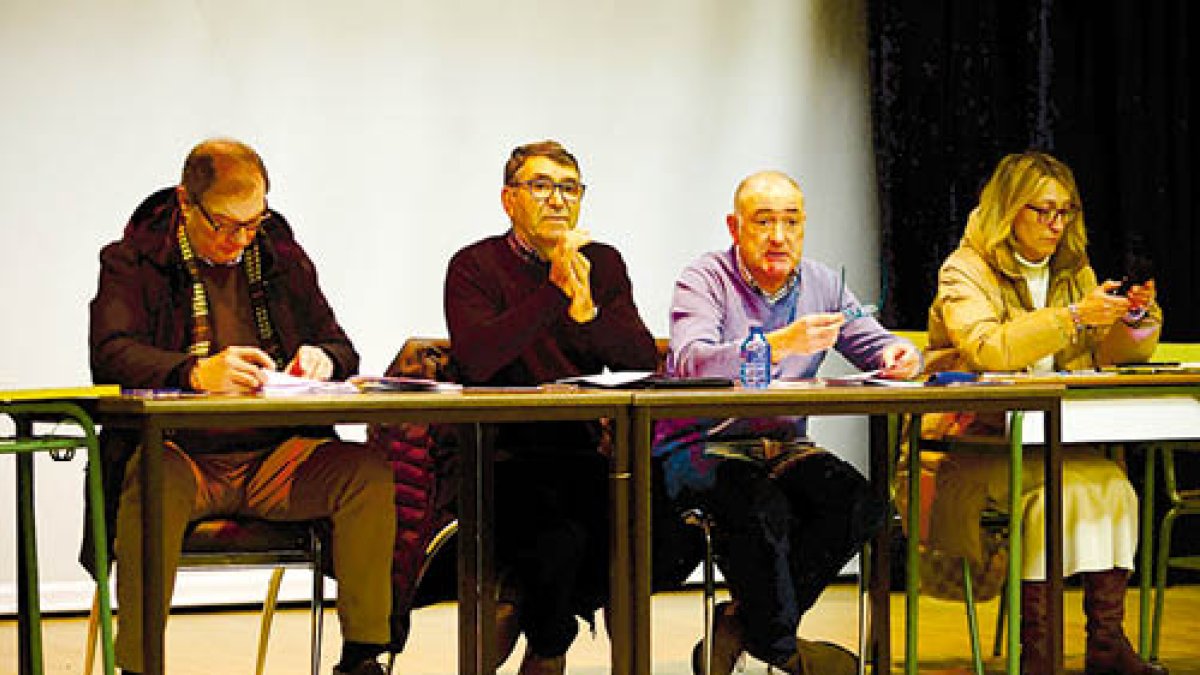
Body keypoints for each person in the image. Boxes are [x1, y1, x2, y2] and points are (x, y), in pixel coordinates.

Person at [89, 139, 396, 675]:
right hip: (181, 456)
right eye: (224, 224)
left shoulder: (277, 256)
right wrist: (192, 373)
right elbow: (111, 353)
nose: (238, 239)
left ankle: (362, 657)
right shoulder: (132, 260)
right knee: (152, 485)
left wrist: (322, 358)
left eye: (253, 222)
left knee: (365, 473)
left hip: (275, 459)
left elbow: (342, 345)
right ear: (186, 202)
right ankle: (139, 665)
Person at [653, 170, 921, 675]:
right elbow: (692, 363)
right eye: (763, 222)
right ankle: (783, 651)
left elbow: (872, 341)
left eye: (791, 222)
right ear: (735, 228)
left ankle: (742, 624)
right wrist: (780, 343)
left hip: (780, 444)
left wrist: (899, 353)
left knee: (858, 506)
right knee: (762, 511)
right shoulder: (703, 279)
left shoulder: (821, 281)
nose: (779, 236)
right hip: (701, 444)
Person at [917, 150, 1166, 675]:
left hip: (1060, 439)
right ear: (1010, 210)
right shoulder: (965, 270)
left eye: (1066, 212)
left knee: (1115, 488)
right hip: (979, 445)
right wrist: (1073, 317)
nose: (1057, 225)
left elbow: (1107, 355)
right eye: (1044, 211)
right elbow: (988, 348)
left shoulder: (1074, 270)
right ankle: (1040, 653)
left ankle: (1105, 644)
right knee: (1062, 493)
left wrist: (1134, 321)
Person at [444, 140, 658, 674]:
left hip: (585, 451)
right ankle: (549, 648)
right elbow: (477, 361)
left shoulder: (602, 264)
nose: (558, 201)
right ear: (508, 200)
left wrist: (587, 314)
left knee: (650, 534)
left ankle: (550, 640)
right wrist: (553, 294)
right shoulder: (474, 266)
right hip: (499, 458)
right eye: (541, 187)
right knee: (560, 543)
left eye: (569, 189)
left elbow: (639, 360)